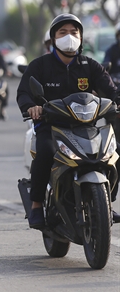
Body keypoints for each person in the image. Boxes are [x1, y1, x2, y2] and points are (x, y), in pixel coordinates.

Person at [17, 14, 120, 228]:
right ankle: (36, 204)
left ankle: (106, 202)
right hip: (51, 126)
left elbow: (111, 91)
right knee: (44, 152)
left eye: (74, 32)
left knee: (113, 153)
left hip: (87, 125)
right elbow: (24, 92)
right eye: (63, 32)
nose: (69, 37)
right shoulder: (40, 65)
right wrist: (31, 107)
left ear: (81, 38)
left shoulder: (90, 66)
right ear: (53, 38)